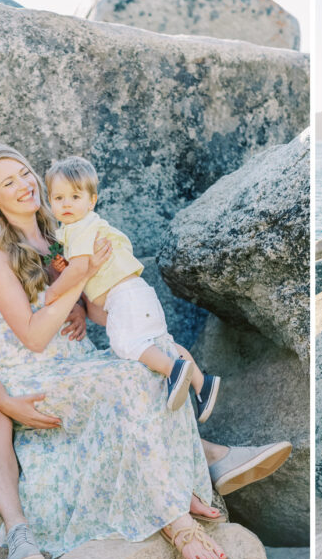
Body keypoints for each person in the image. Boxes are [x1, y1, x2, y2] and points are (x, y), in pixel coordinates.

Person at [0, 168, 290, 559]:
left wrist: (90, 309)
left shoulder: (24, 238)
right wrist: (9, 402)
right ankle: (18, 531)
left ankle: (194, 466)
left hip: (48, 342)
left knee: (152, 358)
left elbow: (66, 293)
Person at [43, 156, 218, 421]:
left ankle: (174, 371)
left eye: (75, 197)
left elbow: (79, 271)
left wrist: (54, 292)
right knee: (161, 342)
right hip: (136, 293)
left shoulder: (80, 228)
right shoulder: (80, 230)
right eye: (58, 198)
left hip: (124, 296)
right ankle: (201, 384)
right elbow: (83, 272)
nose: (66, 203)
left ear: (92, 201)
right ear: (50, 201)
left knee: (127, 345)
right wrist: (65, 262)